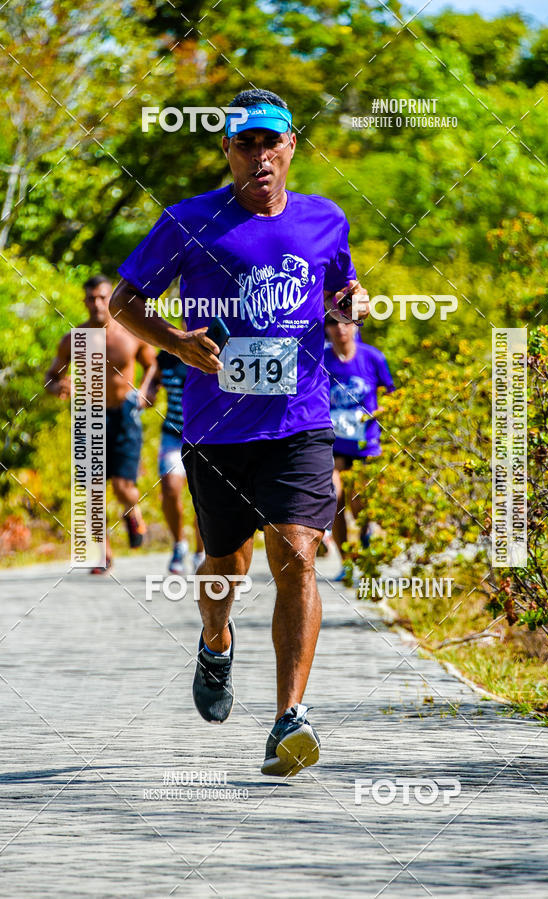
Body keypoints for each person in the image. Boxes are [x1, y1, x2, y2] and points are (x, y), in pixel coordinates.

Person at [110, 88, 369, 776]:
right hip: (217, 429)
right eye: (244, 143)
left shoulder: (325, 219)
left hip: (300, 421)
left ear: (291, 148)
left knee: (297, 552)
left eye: (270, 141)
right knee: (226, 564)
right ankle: (216, 641)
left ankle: (290, 719)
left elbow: (340, 289)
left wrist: (351, 303)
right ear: (227, 151)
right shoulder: (188, 220)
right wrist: (177, 341)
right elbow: (124, 301)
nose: (259, 154)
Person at [45, 274, 156, 572]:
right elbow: (51, 376)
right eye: (91, 298)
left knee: (122, 487)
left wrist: (146, 390)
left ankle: (132, 511)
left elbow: (153, 364)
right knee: (93, 488)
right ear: (84, 302)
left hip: (125, 414)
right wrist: (58, 387)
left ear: (112, 298)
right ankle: (103, 553)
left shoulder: (130, 334)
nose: (96, 304)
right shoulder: (74, 339)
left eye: (102, 297)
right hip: (90, 415)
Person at [324, 316, 394, 579]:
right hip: (334, 443)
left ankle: (366, 544)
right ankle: (346, 562)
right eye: (332, 323)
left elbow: (391, 392)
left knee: (358, 502)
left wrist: (376, 413)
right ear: (326, 329)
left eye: (345, 322)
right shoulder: (321, 360)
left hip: (366, 443)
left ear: (355, 326)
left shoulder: (372, 357)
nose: (339, 328)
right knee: (335, 497)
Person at [148, 348, 206, 574]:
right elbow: (152, 380)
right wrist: (149, 392)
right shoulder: (166, 355)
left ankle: (201, 552)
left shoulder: (213, 349)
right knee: (170, 489)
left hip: (205, 436)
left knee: (203, 498)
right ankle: (179, 544)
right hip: (173, 435)